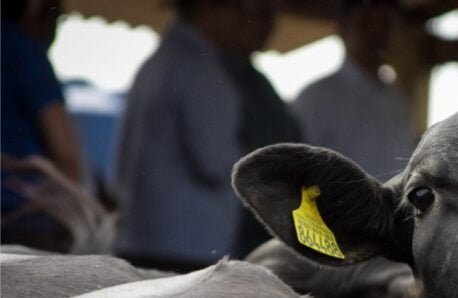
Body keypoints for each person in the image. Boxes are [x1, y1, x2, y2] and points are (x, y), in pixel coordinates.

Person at [112, 0, 277, 272]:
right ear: (208, 9)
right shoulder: (202, 71)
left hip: (145, 240)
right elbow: (214, 162)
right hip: (185, 249)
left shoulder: (159, 62)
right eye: (239, 10)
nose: (241, 21)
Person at [292, 0, 415, 182]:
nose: (376, 32)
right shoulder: (317, 97)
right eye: (366, 22)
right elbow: (296, 171)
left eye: (385, 23)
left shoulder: (397, 99)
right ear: (342, 28)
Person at [217, 2, 303, 258]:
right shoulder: (213, 75)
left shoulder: (260, 83)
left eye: (270, 16)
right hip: (233, 220)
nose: (268, 24)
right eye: (259, 14)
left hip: (266, 216)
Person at [1, 0, 85, 251]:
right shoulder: (22, 50)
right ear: (33, 9)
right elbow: (65, 152)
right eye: (55, 16)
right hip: (20, 218)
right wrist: (77, 217)